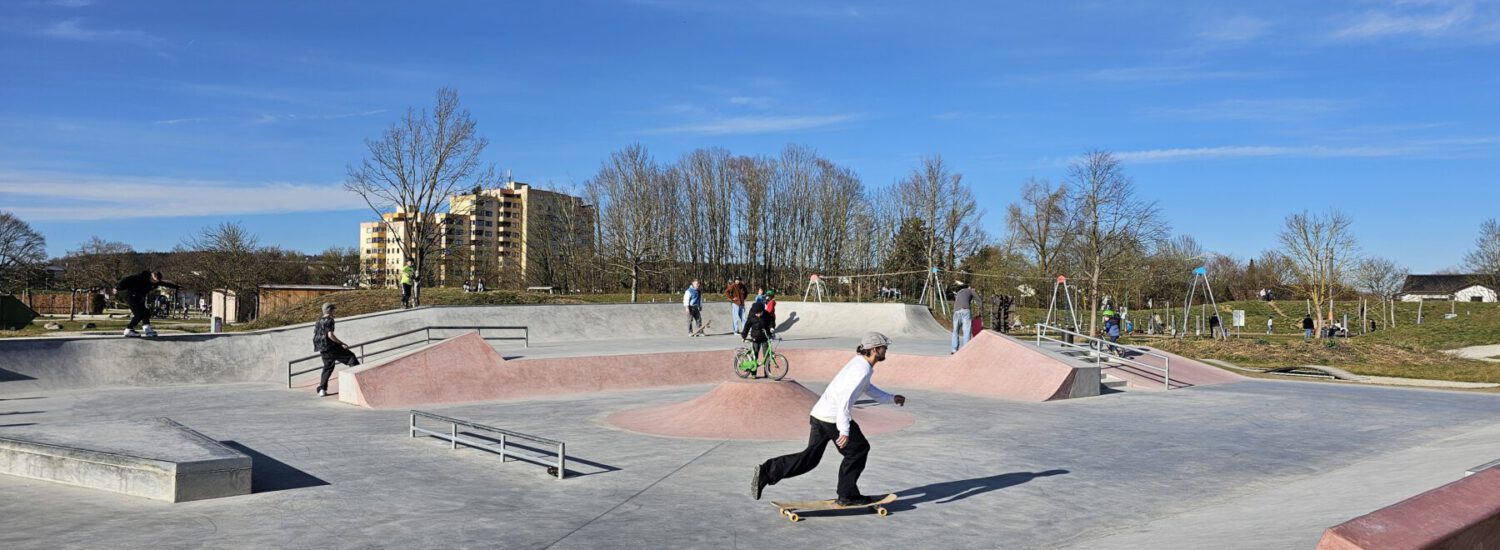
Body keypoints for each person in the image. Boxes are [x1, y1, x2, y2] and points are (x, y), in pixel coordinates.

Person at [750, 331, 906, 506]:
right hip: (832, 417)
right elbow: (844, 400)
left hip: (820, 414)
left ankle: (766, 471)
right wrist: (844, 430)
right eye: (884, 347)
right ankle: (847, 495)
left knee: (810, 459)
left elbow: (867, 388)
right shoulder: (861, 369)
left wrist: (891, 398)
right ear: (875, 349)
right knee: (858, 450)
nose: (886, 350)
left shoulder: (860, 364)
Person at [312, 302, 360, 397]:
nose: (334, 312)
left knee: (328, 367)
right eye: (333, 310)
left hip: (322, 348)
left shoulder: (318, 321)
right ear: (330, 310)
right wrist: (341, 343)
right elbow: (330, 335)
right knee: (351, 358)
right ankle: (360, 380)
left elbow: (317, 334)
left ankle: (322, 389)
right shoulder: (330, 320)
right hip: (331, 347)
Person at [114, 270, 180, 337]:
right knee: (139, 314)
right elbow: (127, 279)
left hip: (139, 297)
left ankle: (147, 327)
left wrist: (177, 287)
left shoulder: (157, 282)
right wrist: (117, 287)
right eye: (153, 280)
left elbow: (165, 284)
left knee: (146, 312)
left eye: (156, 281)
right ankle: (128, 329)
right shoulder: (140, 277)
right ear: (151, 276)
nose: (154, 282)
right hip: (130, 295)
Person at [740, 300, 774, 376]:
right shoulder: (751, 316)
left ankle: (767, 373)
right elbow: (747, 326)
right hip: (755, 337)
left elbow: (771, 321)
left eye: (759, 313)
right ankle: (753, 373)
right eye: (756, 313)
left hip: (765, 337)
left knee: (767, 355)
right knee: (755, 355)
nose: (758, 315)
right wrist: (744, 336)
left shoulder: (766, 314)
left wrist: (772, 327)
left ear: (762, 311)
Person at [951, 280, 977, 353]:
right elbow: (979, 300)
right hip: (965, 311)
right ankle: (966, 350)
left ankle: (954, 349)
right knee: (966, 331)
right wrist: (981, 312)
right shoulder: (970, 290)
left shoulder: (959, 292)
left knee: (955, 331)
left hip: (956, 311)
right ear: (969, 287)